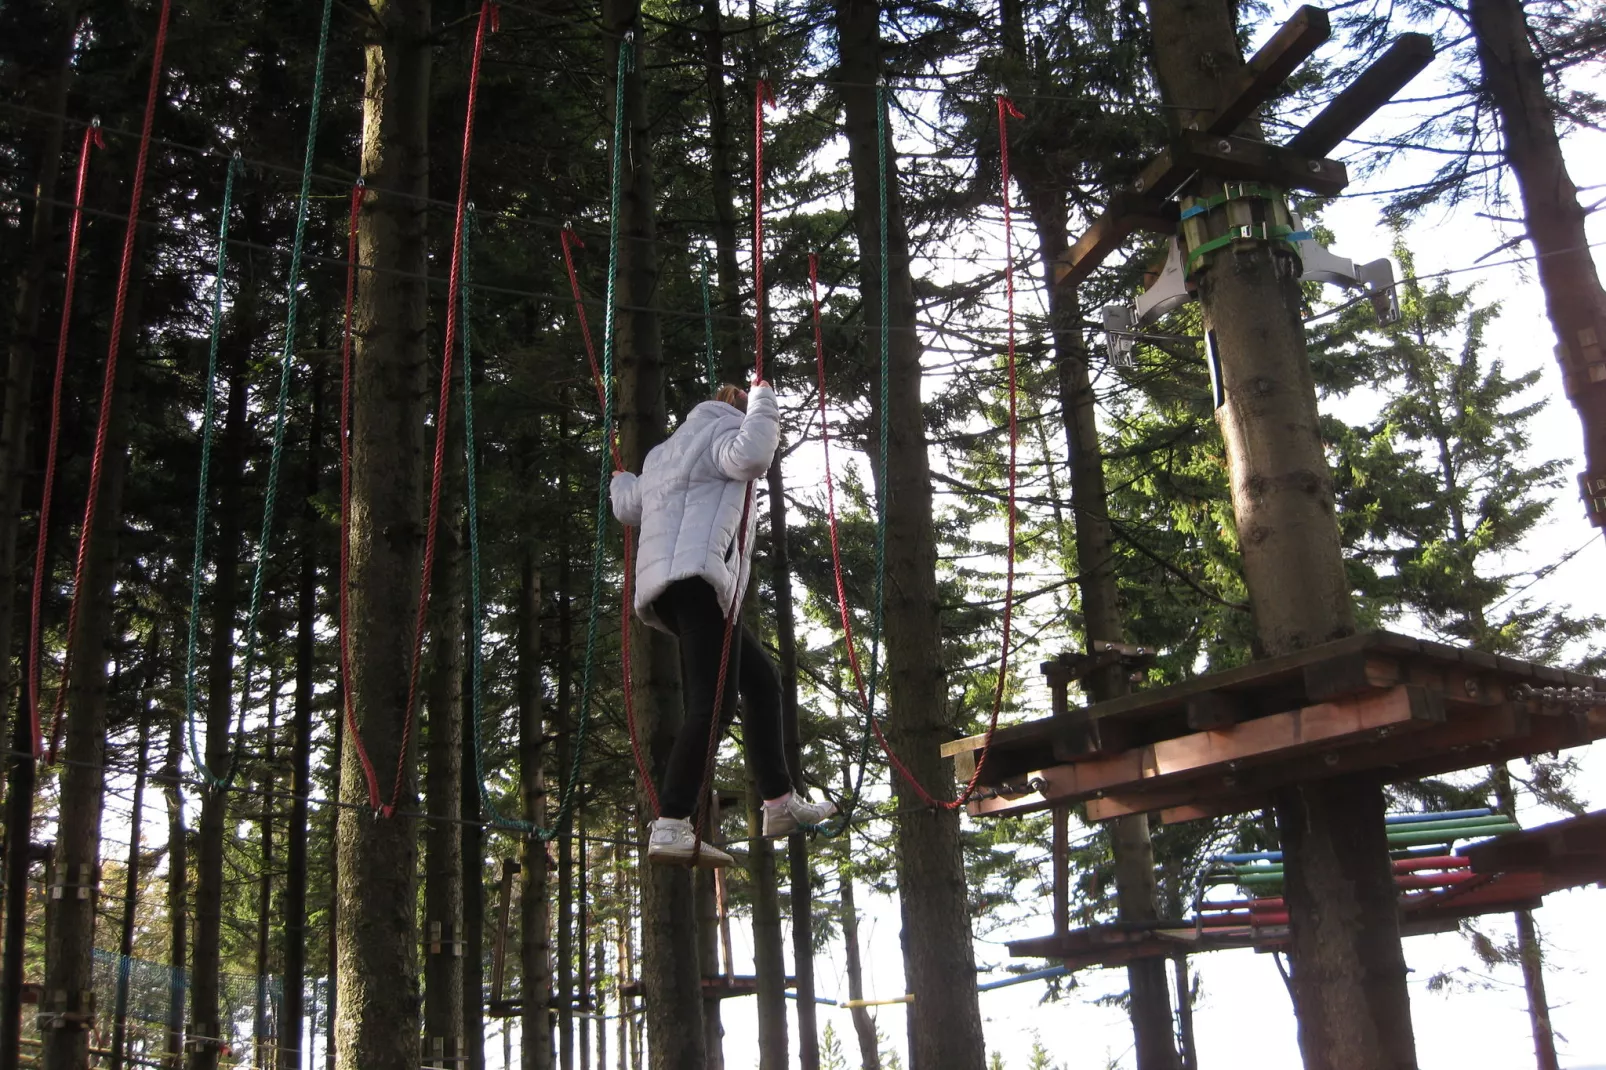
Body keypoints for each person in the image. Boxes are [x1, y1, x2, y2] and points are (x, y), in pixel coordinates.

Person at [611, 379, 836, 867]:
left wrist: (617, 479)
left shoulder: (664, 454)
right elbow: (754, 455)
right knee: (712, 705)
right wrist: (765, 400)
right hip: (699, 579)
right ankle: (671, 821)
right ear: (734, 409)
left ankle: (778, 801)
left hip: (671, 592)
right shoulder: (722, 435)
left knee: (761, 681)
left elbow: (628, 505)